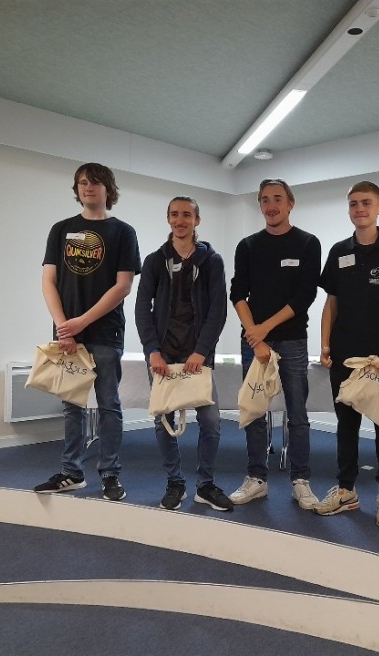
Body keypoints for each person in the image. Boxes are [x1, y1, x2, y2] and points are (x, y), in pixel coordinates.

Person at [314, 181, 379, 527]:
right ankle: (346, 490)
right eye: (353, 204)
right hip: (345, 356)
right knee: (346, 427)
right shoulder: (339, 251)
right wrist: (325, 343)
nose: (359, 209)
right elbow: (331, 303)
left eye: (366, 203)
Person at [34, 163, 141, 501]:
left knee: (108, 404)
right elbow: (48, 281)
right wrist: (64, 327)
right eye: (82, 183)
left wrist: (82, 322)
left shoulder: (123, 232)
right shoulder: (61, 230)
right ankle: (71, 472)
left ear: (108, 189)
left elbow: (122, 287)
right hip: (68, 335)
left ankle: (110, 474)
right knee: (72, 406)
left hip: (106, 332)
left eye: (95, 183)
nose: (88, 188)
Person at [134, 196, 233, 512]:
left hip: (198, 358)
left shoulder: (211, 261)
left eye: (187, 215)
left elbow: (218, 310)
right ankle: (175, 483)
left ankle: (205, 485)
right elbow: (142, 308)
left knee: (211, 422)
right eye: (175, 214)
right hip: (162, 357)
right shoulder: (154, 261)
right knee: (163, 422)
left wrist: (201, 351)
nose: (180, 220)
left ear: (197, 221)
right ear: (168, 219)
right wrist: (152, 350)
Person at [228, 179, 321, 509]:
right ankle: (256, 478)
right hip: (255, 343)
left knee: (297, 414)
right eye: (265, 200)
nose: (271, 205)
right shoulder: (248, 246)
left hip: (292, 340)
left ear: (290, 203)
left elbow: (305, 295)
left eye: (278, 199)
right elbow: (237, 294)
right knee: (254, 411)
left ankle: (301, 481)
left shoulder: (307, 243)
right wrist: (255, 336)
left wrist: (262, 329)